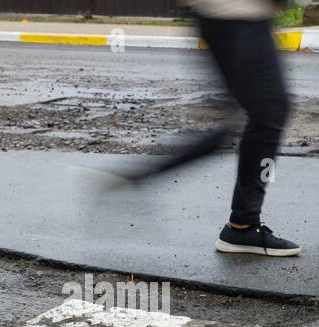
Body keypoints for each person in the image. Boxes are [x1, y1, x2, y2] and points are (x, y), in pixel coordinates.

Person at [124, 0, 300, 257]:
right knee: (268, 111)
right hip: (237, 14)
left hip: (233, 15)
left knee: (258, 115)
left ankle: (242, 224)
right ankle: (242, 225)